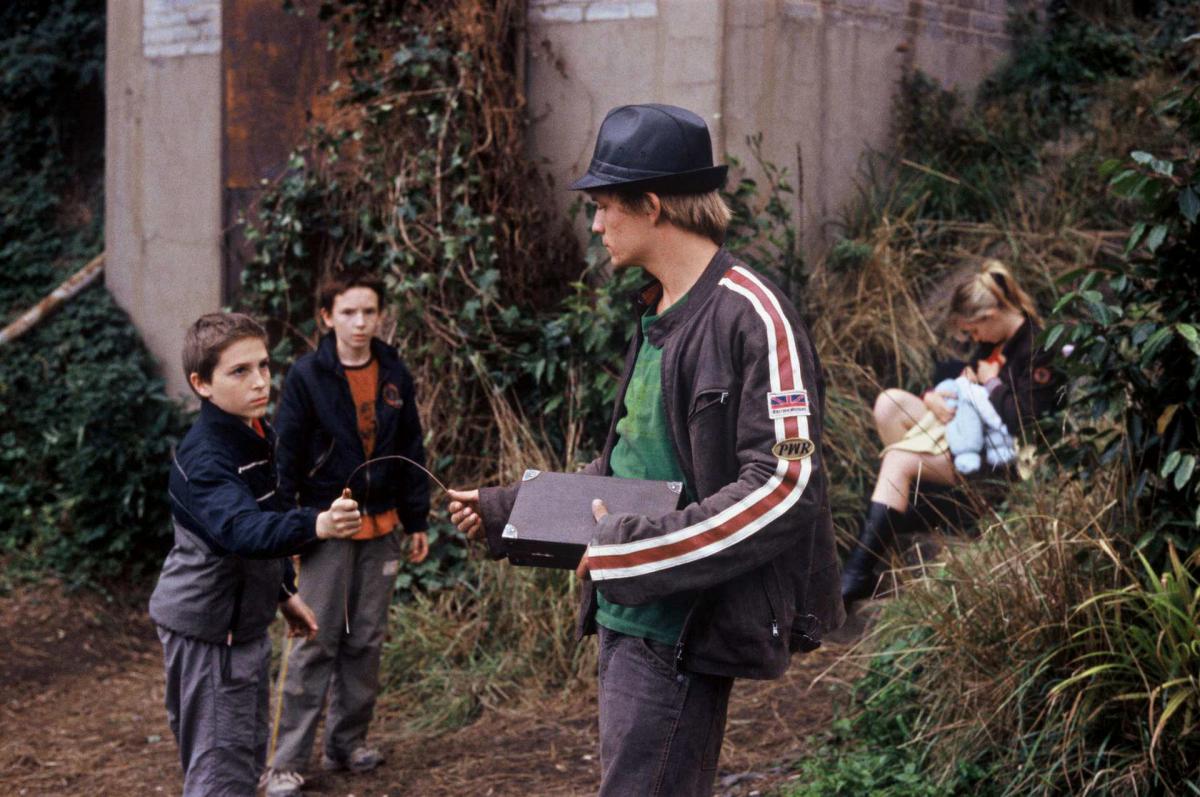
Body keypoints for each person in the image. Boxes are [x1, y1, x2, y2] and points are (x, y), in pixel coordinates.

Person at [446, 103, 843, 797]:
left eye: (604, 207)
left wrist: (631, 554)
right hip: (626, 615)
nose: (596, 224)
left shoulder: (753, 314)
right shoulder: (657, 308)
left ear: (652, 205)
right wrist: (510, 509)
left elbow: (787, 481)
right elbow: (628, 472)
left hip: (682, 625)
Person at [149, 312, 363, 797]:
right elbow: (242, 530)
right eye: (240, 371)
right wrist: (318, 523)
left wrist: (286, 594)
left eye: (264, 366)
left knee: (244, 761)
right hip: (208, 635)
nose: (260, 381)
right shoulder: (206, 457)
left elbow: (263, 517)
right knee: (219, 776)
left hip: (242, 627)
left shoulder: (253, 432)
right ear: (201, 384)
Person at [265, 271, 430, 796]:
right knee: (315, 641)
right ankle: (285, 761)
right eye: (349, 312)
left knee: (366, 641)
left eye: (369, 312)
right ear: (327, 317)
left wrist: (417, 518)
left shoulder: (394, 373)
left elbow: (411, 450)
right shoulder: (307, 376)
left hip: (381, 528)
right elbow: (286, 455)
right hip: (325, 527)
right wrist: (288, 528)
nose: (361, 323)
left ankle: (345, 742)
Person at [839, 259, 1063, 605]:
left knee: (898, 458)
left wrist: (991, 385)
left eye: (973, 331)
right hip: (968, 433)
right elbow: (957, 376)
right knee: (889, 403)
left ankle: (858, 572)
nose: (974, 340)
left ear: (989, 316)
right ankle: (912, 503)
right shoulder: (995, 342)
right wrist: (933, 398)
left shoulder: (1038, 347)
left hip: (1002, 463)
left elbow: (1030, 425)